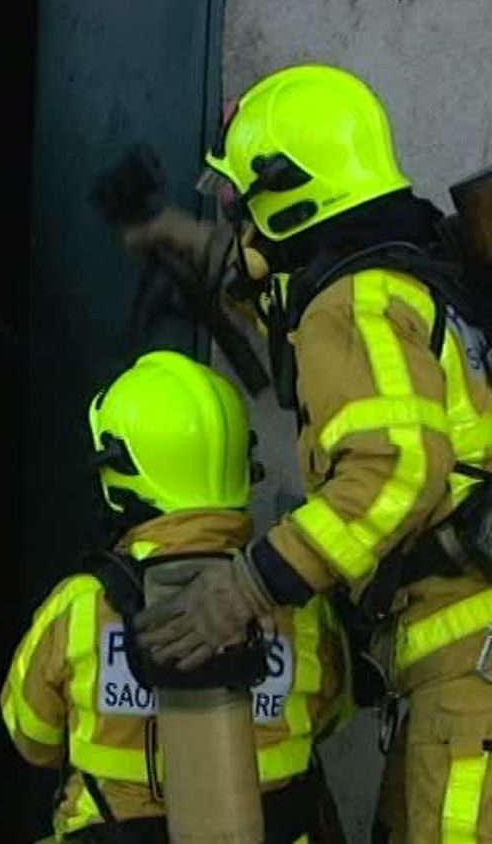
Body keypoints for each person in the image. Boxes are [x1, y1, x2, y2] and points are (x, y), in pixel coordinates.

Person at [126, 63, 492, 842]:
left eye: (246, 199)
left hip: (473, 683)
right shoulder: (417, 265)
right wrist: (208, 252)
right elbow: (292, 300)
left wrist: (252, 584)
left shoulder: (352, 305)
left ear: (291, 188)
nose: (243, 218)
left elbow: (396, 474)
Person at [0, 350, 348, 842]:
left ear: (120, 474)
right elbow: (331, 716)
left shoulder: (78, 609)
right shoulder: (307, 611)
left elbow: (31, 738)